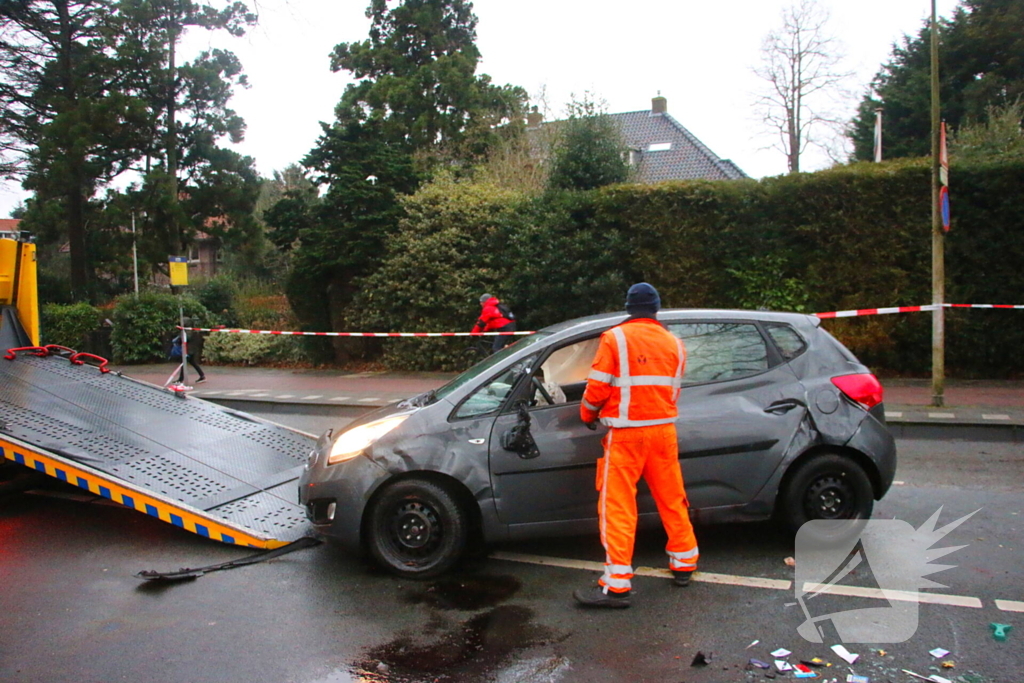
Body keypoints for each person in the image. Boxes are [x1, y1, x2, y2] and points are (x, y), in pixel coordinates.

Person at [573, 282, 699, 609]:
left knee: (618, 507)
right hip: (663, 432)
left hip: (626, 435)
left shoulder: (615, 338)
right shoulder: (675, 343)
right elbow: (672, 390)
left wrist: (587, 413)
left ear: (629, 308)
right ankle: (684, 563)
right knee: (671, 498)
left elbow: (597, 387)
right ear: (656, 308)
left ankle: (617, 585)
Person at [173, 317, 206, 384]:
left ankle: (180, 379)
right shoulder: (187, 330)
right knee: (193, 363)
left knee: (183, 363)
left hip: (189, 349)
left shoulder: (188, 330)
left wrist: (179, 338)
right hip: (190, 349)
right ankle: (202, 376)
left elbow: (187, 338)